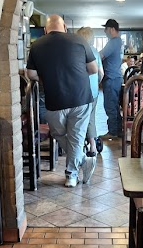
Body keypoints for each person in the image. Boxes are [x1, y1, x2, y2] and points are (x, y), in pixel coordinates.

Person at [26, 14, 98, 187]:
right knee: (76, 137)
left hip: (55, 98)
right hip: (81, 97)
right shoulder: (79, 40)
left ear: (45, 30)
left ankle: (71, 174)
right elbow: (93, 69)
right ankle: (82, 160)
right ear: (64, 27)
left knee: (58, 133)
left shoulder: (37, 45)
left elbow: (31, 74)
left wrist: (47, 77)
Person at [76, 26, 104, 154]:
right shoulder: (95, 52)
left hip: (80, 91)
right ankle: (93, 145)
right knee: (91, 117)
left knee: (80, 118)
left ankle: (84, 144)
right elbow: (101, 73)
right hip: (93, 91)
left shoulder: (77, 51)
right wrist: (96, 82)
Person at [100, 18, 124, 139]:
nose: (105, 31)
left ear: (112, 29)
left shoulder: (113, 42)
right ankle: (118, 130)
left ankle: (113, 132)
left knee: (110, 105)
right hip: (116, 78)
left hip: (111, 78)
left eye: (106, 29)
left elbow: (100, 55)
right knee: (114, 105)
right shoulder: (119, 42)